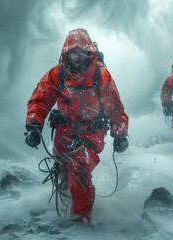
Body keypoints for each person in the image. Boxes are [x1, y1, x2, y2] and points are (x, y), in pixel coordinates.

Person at [24, 28, 129, 223]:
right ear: (66, 53)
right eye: (73, 52)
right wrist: (34, 126)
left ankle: (80, 222)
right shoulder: (57, 74)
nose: (78, 56)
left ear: (90, 52)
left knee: (80, 166)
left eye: (82, 52)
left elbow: (114, 107)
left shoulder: (101, 75)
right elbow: (40, 100)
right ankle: (64, 214)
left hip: (92, 131)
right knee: (63, 170)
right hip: (64, 130)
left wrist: (120, 134)